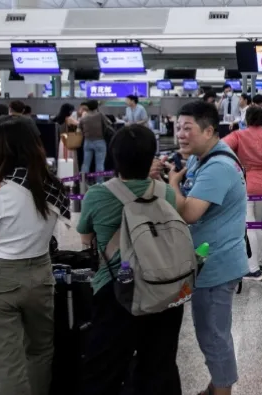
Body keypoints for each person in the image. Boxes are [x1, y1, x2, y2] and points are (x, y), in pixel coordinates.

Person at [77, 124, 183, 395]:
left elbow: (86, 239)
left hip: (115, 291)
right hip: (164, 288)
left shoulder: (97, 195)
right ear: (151, 158)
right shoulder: (166, 193)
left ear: (114, 157)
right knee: (159, 366)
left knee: (104, 370)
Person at [166, 101, 248, 395]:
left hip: (216, 263)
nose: (180, 134)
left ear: (209, 131)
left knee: (213, 335)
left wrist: (172, 184)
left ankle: (222, 391)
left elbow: (189, 212)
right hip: (206, 259)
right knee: (211, 330)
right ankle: (215, 387)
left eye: (188, 128)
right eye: (178, 127)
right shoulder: (201, 159)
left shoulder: (218, 167)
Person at [0, 115, 68, 395]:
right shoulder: (53, 187)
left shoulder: (0, 192)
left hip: (2, 278)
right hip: (41, 275)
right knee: (40, 349)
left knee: (5, 359)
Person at [222, 106, 262, 281]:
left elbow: (221, 146)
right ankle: (258, 262)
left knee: (250, 226)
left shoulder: (240, 135)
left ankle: (253, 270)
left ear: (247, 119)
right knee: (258, 225)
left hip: (248, 183)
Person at [80, 100, 110, 174]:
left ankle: (83, 180)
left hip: (87, 142)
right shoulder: (100, 115)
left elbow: (80, 127)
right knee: (99, 164)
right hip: (99, 141)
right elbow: (108, 123)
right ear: (97, 107)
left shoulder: (84, 117)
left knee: (86, 164)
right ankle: (99, 181)